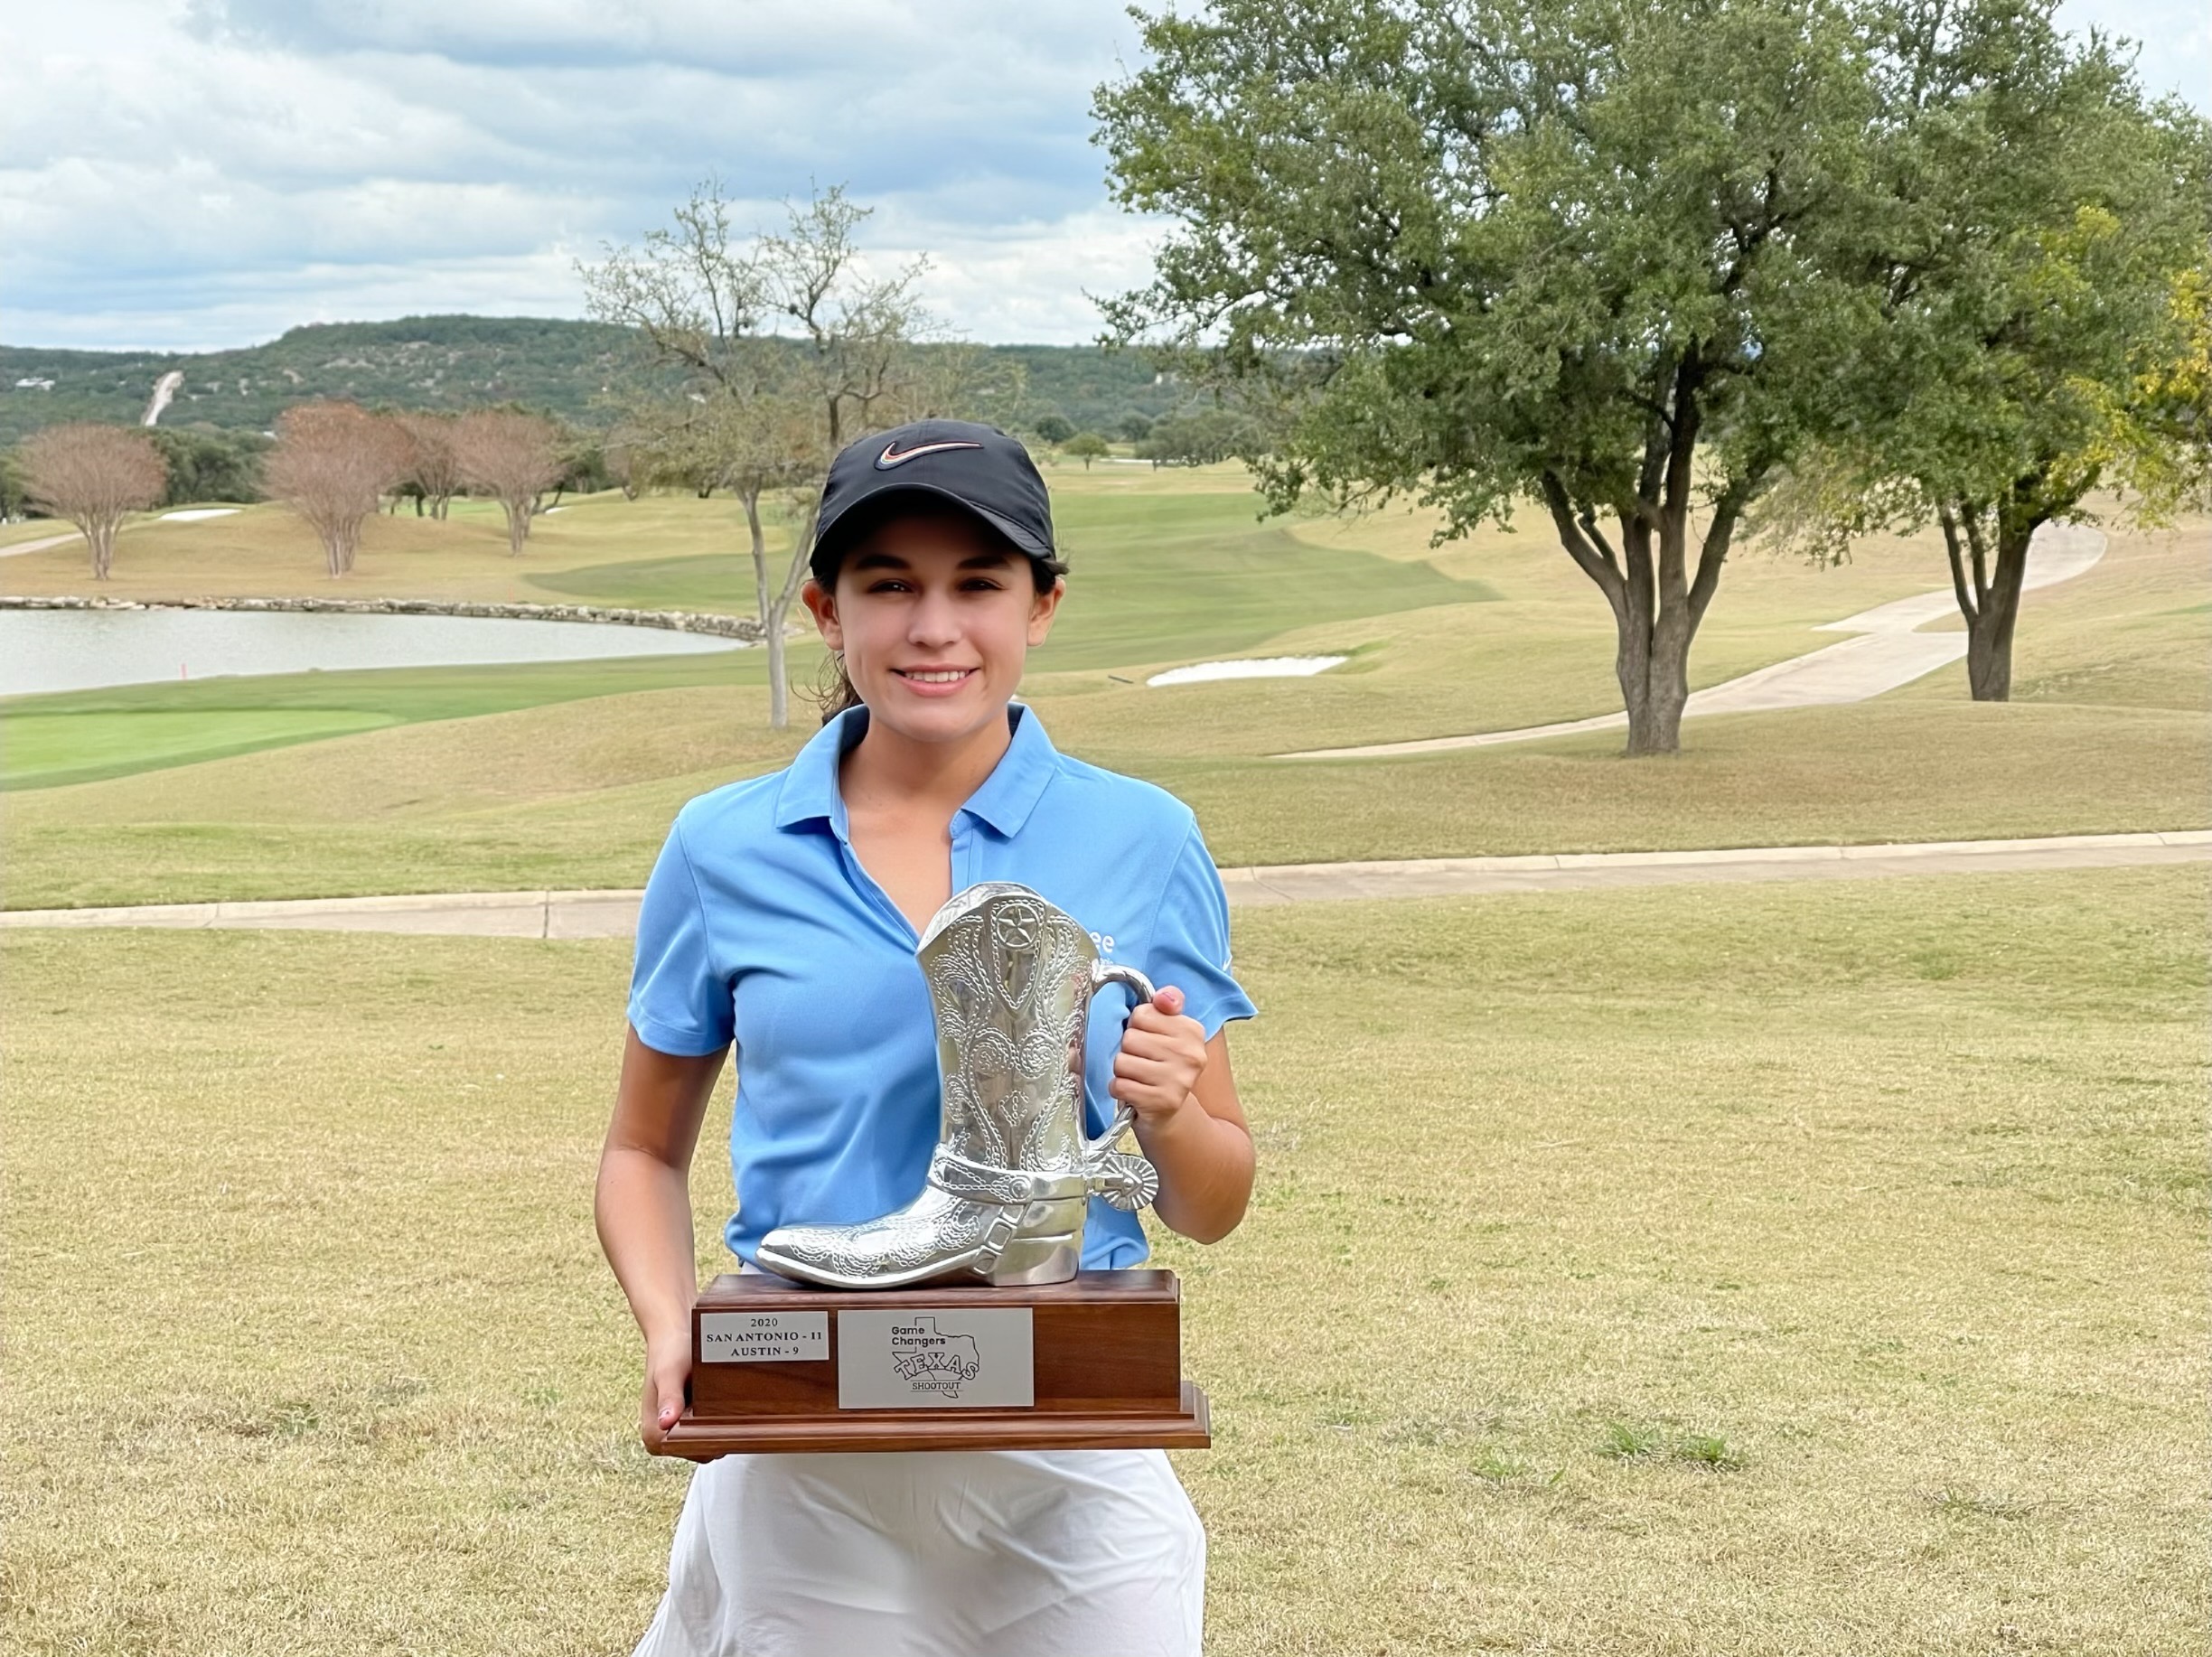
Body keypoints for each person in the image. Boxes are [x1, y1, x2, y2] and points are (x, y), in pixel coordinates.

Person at [595, 418, 1258, 1657]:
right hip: (811, 1456)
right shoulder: (723, 845)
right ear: (824, 609)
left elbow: (1212, 1202)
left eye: (977, 584)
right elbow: (642, 1150)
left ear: (1043, 605)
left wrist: (1170, 1111)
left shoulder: (1147, 836)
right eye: (888, 584)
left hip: (1070, 1452)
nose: (933, 627)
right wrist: (669, 1317)